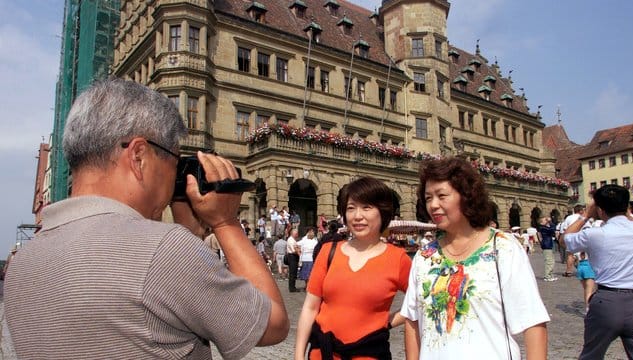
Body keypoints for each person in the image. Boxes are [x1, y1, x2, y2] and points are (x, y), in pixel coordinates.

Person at [3, 79, 289, 359]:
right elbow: (273, 325)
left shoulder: (21, 265)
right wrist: (226, 223)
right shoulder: (164, 251)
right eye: (173, 160)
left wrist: (189, 235)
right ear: (139, 156)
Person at [402, 157, 548, 359]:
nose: (433, 205)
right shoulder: (425, 256)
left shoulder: (503, 248)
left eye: (442, 195)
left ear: (466, 196)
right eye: (428, 198)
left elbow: (532, 322)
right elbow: (412, 320)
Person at [295, 177, 412, 360]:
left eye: (367, 207)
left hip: (369, 353)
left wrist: (387, 322)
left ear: (382, 211)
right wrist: (298, 355)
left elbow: (419, 301)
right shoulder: (328, 252)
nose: (357, 216)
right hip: (323, 353)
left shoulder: (398, 259)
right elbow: (310, 308)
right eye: (351, 208)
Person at [562, 184, 633, 359]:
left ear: (600, 210)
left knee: (591, 354)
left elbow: (565, 239)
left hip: (607, 301)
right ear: (627, 206)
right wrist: (626, 213)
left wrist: (585, 216)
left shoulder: (594, 234)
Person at [559, 204, 589, 276]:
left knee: (570, 255)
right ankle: (582, 271)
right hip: (581, 237)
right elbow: (587, 228)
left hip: (571, 238)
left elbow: (564, 229)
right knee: (583, 255)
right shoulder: (583, 218)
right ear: (581, 211)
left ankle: (569, 271)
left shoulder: (569, 217)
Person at [538, 217, 558, 282]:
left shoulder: (544, 227)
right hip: (546, 245)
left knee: (551, 261)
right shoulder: (542, 227)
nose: (547, 220)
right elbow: (552, 229)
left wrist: (549, 222)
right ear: (541, 222)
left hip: (548, 244)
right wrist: (550, 222)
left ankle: (550, 275)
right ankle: (547, 276)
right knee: (549, 261)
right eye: (545, 220)